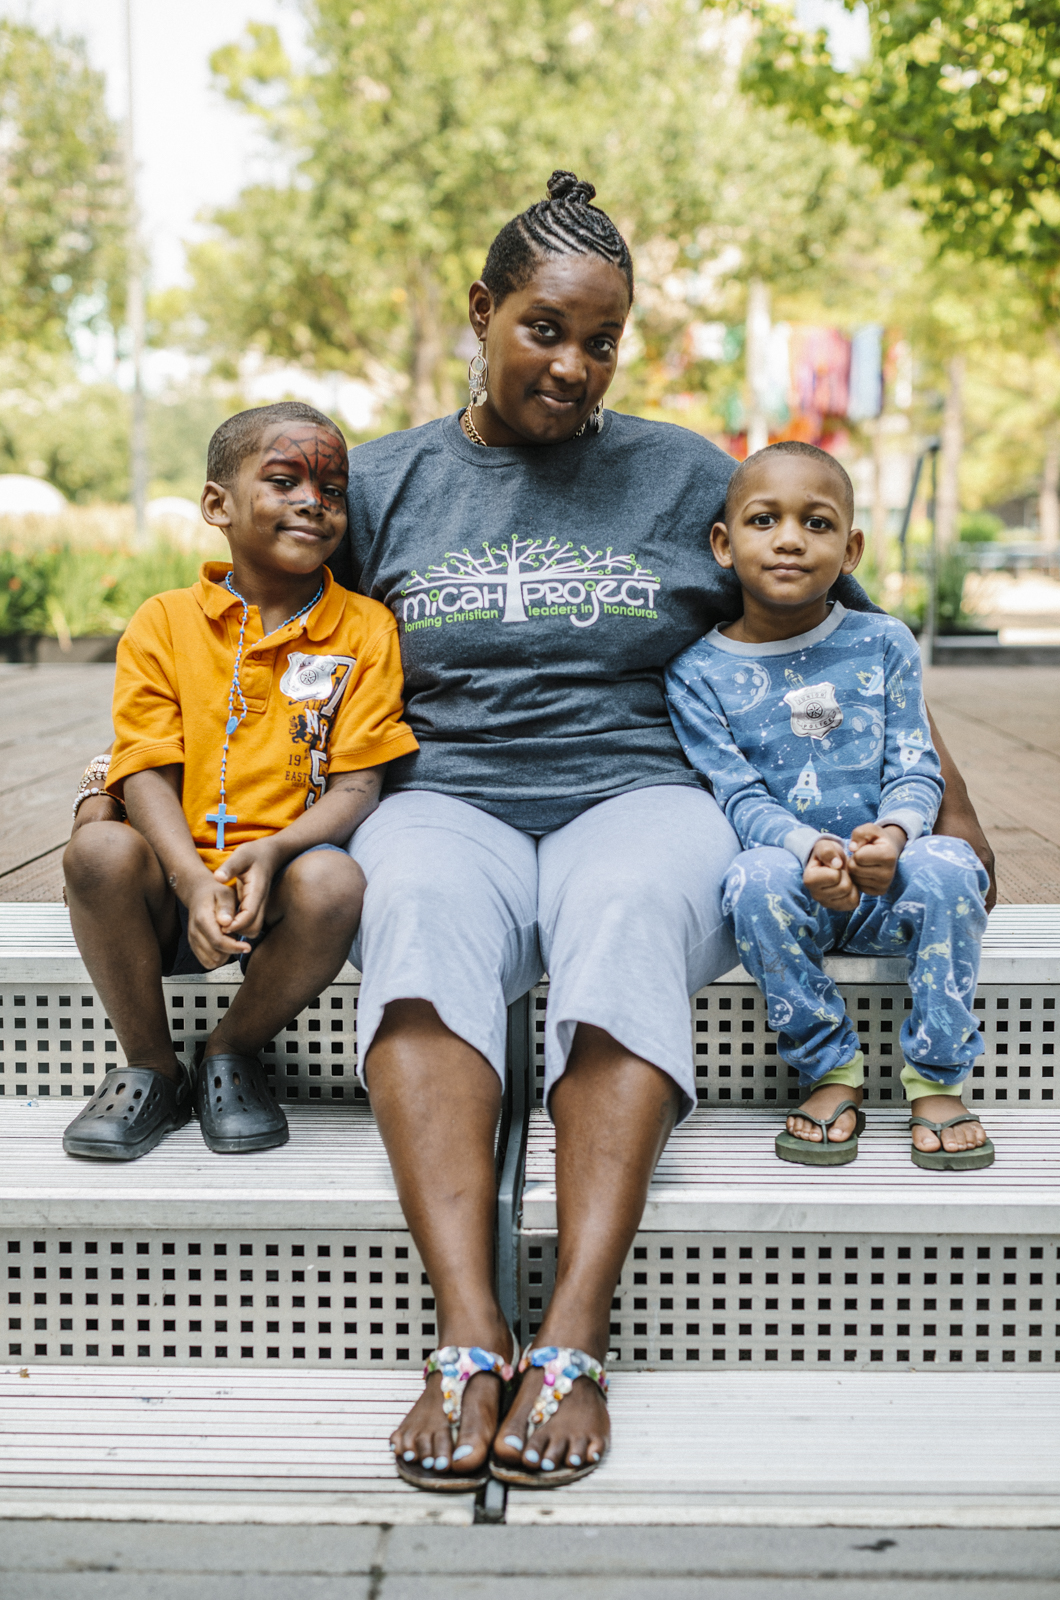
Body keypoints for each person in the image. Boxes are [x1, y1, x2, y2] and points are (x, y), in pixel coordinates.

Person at [328, 172, 996, 1492]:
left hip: (641, 790)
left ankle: (572, 1334)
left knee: (629, 912)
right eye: (543, 329)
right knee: (409, 912)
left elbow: (846, 641)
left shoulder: (687, 471)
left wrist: (949, 819)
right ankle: (466, 1335)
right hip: (443, 794)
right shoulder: (384, 483)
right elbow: (272, 642)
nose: (573, 366)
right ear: (480, 312)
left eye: (600, 340)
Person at [61, 401, 417, 1161]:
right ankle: (151, 1066)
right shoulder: (161, 621)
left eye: (331, 488)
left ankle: (228, 1050)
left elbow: (358, 787)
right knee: (97, 854)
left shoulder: (365, 628)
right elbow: (144, 764)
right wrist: (190, 880)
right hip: (168, 886)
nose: (312, 502)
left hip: (279, 895)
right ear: (217, 504)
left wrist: (277, 851)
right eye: (284, 479)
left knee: (335, 882)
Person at [665, 441, 992, 1171]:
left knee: (953, 864)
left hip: (891, 880)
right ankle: (830, 1070)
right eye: (762, 520)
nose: (788, 538)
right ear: (723, 543)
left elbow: (914, 761)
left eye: (815, 524)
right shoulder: (697, 673)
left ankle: (936, 1077)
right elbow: (737, 793)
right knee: (748, 879)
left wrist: (900, 836)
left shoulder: (881, 642)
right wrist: (802, 850)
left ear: (849, 551)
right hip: (796, 889)